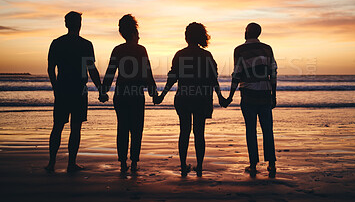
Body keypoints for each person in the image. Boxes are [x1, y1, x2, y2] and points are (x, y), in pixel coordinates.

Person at [154, 22, 225, 177]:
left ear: (187, 37)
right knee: (200, 133)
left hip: (184, 98)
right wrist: (220, 97)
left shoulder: (180, 54)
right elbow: (213, 79)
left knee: (184, 132)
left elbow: (172, 77)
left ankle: (182, 165)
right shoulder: (207, 56)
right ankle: (199, 167)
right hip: (202, 98)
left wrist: (162, 95)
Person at [45, 11, 104, 173]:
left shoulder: (57, 43)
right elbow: (92, 69)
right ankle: (71, 163)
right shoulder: (86, 44)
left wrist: (55, 87)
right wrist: (101, 90)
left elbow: (51, 69)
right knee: (75, 127)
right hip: (79, 90)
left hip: (63, 88)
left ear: (66, 24)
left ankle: (51, 163)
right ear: (80, 24)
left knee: (57, 126)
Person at [101, 14, 158, 173]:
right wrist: (154, 93)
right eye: (138, 34)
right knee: (136, 128)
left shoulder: (117, 50)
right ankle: (133, 161)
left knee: (122, 127)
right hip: (136, 94)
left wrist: (103, 91)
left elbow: (110, 73)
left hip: (120, 94)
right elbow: (148, 73)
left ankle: (122, 162)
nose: (139, 37)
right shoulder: (141, 50)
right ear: (133, 34)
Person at [223, 22, 277, 177]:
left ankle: (253, 164)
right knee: (267, 129)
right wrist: (274, 94)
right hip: (265, 93)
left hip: (248, 95)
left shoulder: (239, 50)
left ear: (248, 32)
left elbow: (237, 74)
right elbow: (273, 73)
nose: (244, 32)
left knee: (250, 130)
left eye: (245, 30)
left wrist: (230, 96)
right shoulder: (267, 49)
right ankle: (271, 164)